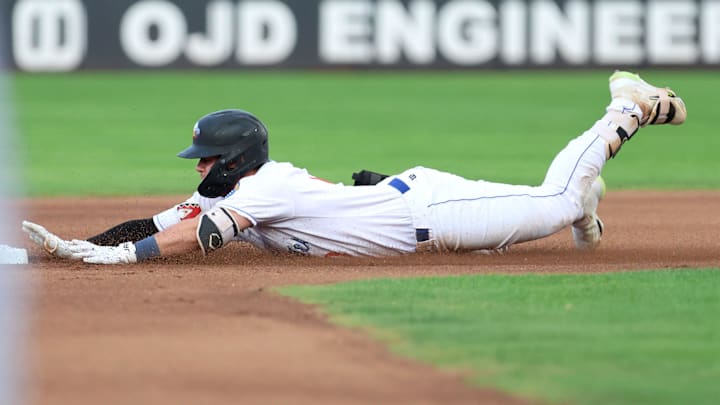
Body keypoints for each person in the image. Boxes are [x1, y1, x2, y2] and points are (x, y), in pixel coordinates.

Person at [23, 71, 687, 264]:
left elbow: (198, 235)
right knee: (553, 199)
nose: (198, 174)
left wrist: (124, 259)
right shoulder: (240, 184)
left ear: (235, 160)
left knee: (557, 201)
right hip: (406, 202)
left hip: (430, 214)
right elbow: (158, 219)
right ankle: (590, 186)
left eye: (206, 162)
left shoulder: (265, 185)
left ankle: (624, 111)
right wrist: (81, 246)